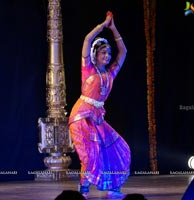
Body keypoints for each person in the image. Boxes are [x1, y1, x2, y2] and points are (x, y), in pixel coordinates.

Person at [68, 11, 131, 199]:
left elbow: (124, 52)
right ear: (95, 55)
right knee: (89, 156)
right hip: (81, 117)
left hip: (96, 119)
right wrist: (103, 25)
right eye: (104, 52)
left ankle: (114, 188)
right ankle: (83, 191)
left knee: (116, 148)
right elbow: (87, 40)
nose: (107, 55)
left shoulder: (110, 73)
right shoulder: (87, 68)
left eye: (109, 53)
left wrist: (114, 29)